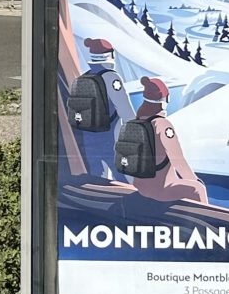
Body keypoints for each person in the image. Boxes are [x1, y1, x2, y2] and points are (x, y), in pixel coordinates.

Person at [118, 75, 209, 205]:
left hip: (140, 187)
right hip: (160, 190)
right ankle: (206, 220)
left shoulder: (134, 124)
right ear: (165, 99)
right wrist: (195, 180)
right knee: (198, 189)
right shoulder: (162, 125)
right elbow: (178, 160)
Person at [67, 37, 128, 180]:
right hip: (109, 134)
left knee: (97, 174)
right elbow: (125, 110)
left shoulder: (82, 78)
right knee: (121, 174)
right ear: (110, 56)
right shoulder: (111, 77)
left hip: (87, 135)